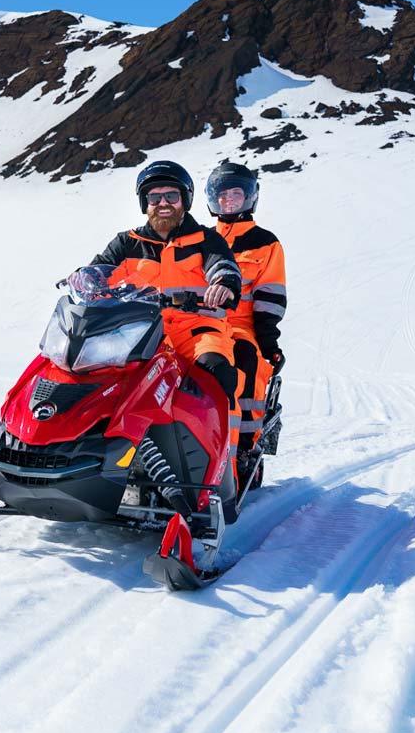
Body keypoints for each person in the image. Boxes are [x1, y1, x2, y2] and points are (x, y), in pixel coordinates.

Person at [89, 160, 245, 454]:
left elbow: (223, 266)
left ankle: (225, 461)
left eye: (171, 196)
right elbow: (98, 271)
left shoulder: (205, 239)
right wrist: (81, 280)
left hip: (197, 330)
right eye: (154, 197)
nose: (163, 203)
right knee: (101, 378)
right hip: (141, 335)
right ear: (144, 203)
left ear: (183, 200)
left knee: (216, 370)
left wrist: (223, 282)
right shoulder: (127, 242)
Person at [205, 161, 287, 489]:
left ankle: (241, 451)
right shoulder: (202, 238)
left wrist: (268, 341)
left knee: (244, 365)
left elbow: (270, 296)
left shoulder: (265, 243)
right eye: (222, 195)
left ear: (249, 197)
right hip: (200, 324)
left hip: (241, 328)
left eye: (236, 194)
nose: (228, 201)